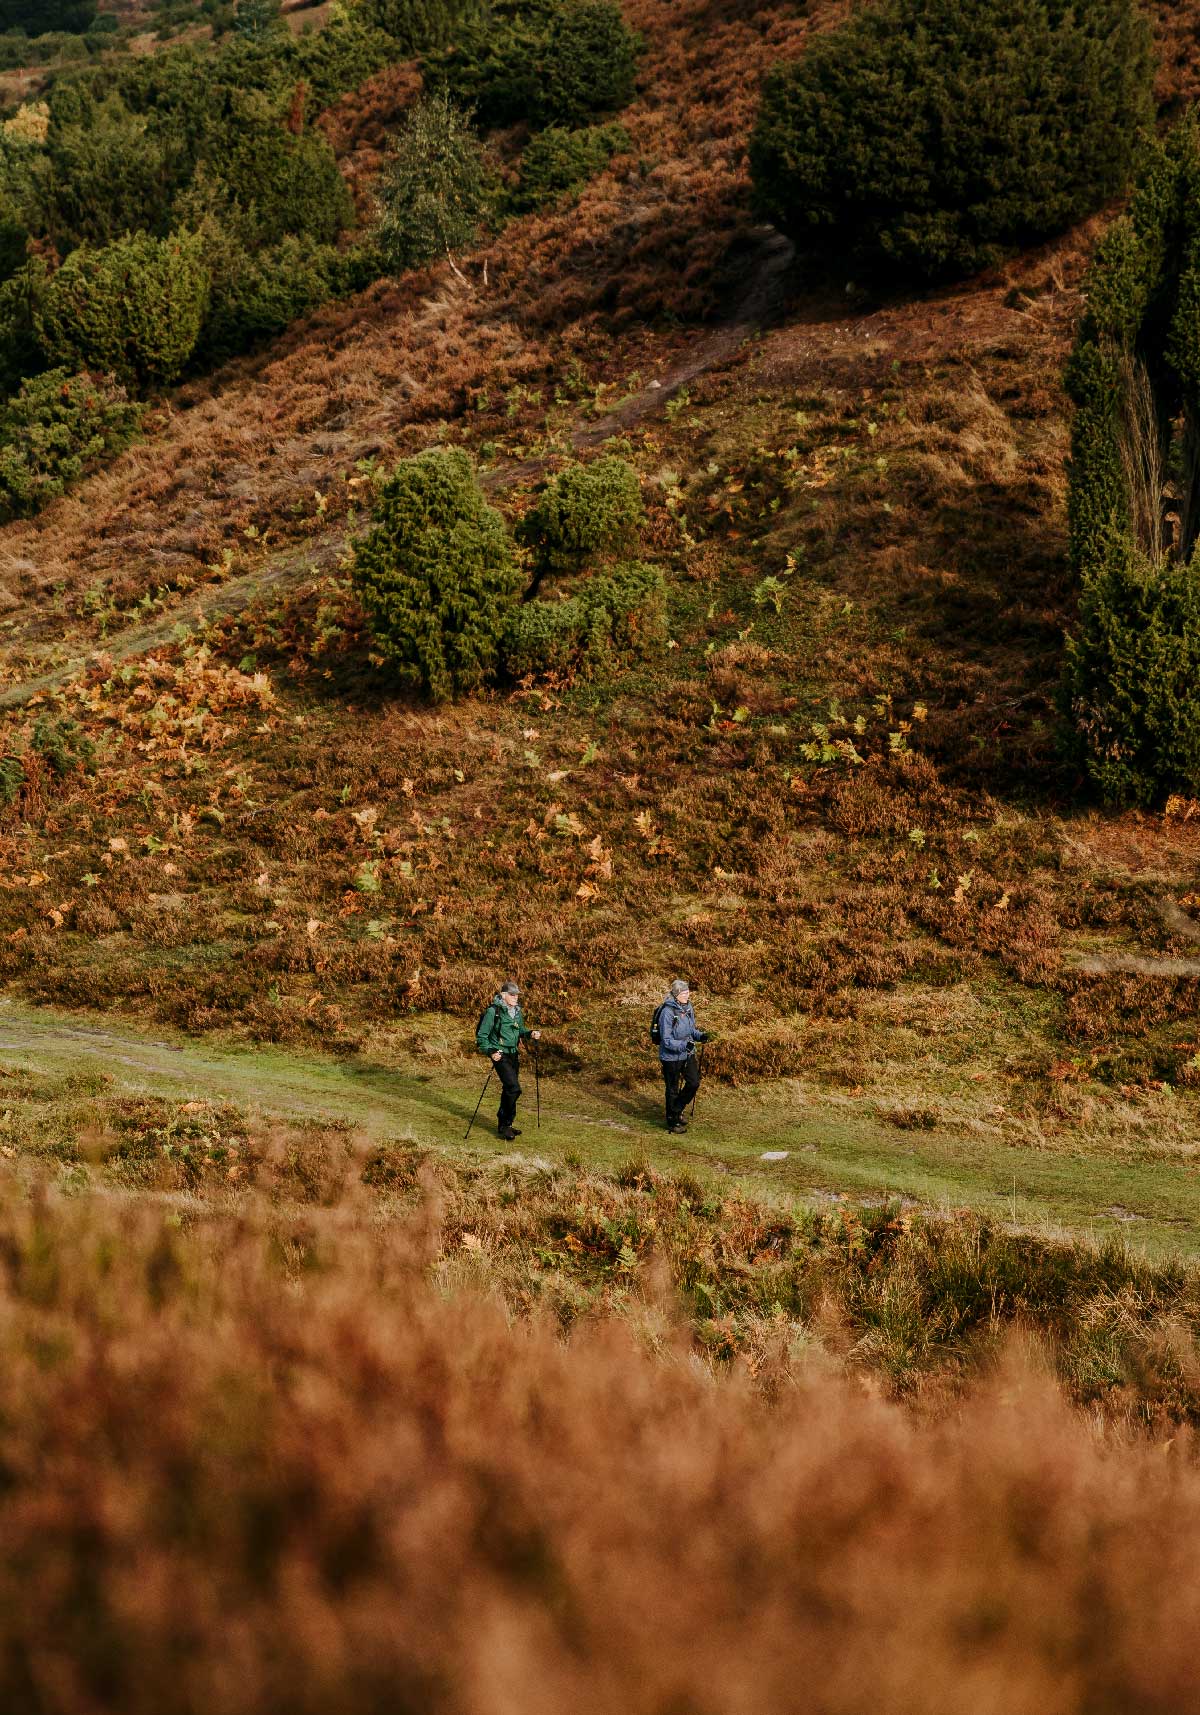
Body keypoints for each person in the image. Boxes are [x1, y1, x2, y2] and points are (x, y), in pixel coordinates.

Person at [476, 980, 541, 1140]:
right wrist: (490, 1051)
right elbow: (482, 1036)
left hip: (513, 1054)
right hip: (500, 1054)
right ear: (503, 995)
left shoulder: (517, 1012)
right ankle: (504, 1125)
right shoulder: (493, 1011)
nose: (515, 997)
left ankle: (507, 1124)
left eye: (517, 995)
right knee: (514, 1088)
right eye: (512, 995)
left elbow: (520, 1031)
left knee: (509, 1089)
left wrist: (530, 1033)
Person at [657, 978, 709, 1134]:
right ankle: (672, 1121)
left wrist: (700, 1036)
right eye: (685, 993)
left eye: (688, 992)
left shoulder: (688, 1007)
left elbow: (691, 1029)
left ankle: (677, 1109)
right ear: (677, 994)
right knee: (672, 1089)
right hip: (671, 1057)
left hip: (687, 1054)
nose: (688, 995)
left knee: (694, 1083)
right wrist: (682, 1045)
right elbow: (666, 1040)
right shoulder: (667, 1012)